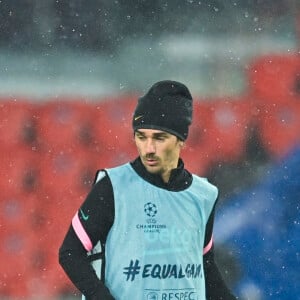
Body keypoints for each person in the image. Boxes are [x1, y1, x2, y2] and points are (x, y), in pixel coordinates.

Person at [59, 80, 237, 300]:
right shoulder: (113, 186)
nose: (148, 149)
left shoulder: (204, 195)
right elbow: (70, 253)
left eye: (159, 138)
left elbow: (204, 266)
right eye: (141, 136)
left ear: (180, 140)